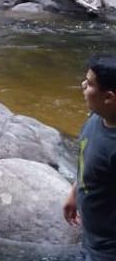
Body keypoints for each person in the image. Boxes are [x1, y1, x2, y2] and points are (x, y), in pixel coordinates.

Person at [63, 55, 116, 260]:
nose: (83, 85)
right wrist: (75, 191)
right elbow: (88, 158)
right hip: (92, 239)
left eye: (90, 83)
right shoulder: (96, 117)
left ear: (109, 97)